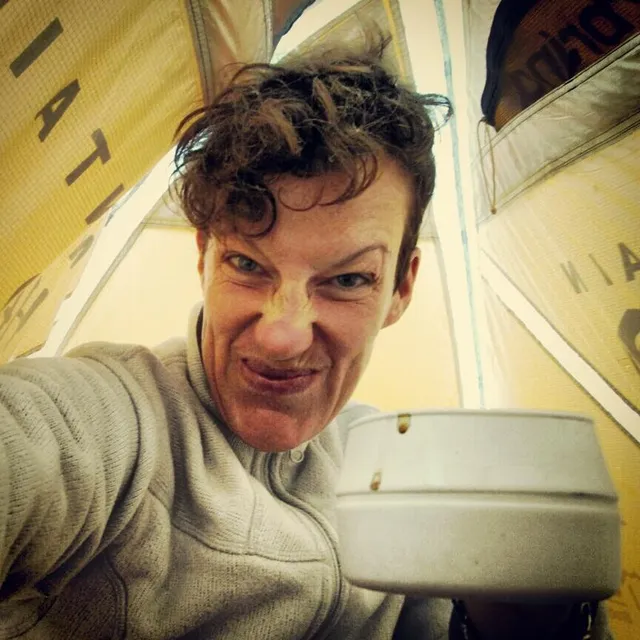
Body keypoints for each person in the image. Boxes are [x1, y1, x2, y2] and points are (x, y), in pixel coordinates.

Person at [0, 38, 612, 639]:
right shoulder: (114, 422)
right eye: (247, 264)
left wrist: (527, 619)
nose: (283, 336)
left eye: (347, 279)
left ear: (401, 288)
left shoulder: (398, 465)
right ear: (204, 256)